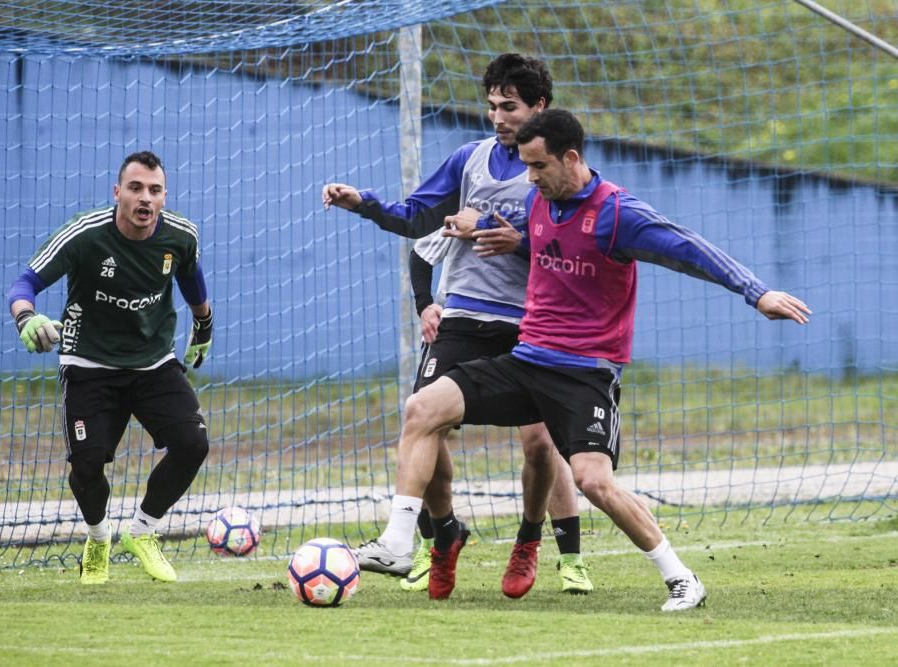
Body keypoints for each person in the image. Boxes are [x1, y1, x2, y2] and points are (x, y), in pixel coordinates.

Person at [384, 107, 812, 606]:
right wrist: (478, 226)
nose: (529, 178)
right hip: (527, 362)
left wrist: (755, 292)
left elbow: (689, 248)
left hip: (585, 374)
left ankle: (681, 577)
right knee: (422, 408)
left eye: (538, 166)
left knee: (593, 480)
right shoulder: (537, 203)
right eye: (524, 166)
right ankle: (398, 540)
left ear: (570, 158)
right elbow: (500, 225)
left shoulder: (617, 214)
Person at [322, 53, 593, 598]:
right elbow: (416, 217)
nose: (498, 116)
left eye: (510, 106)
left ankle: (529, 541)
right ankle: (442, 534)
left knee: (540, 445)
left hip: (528, 324)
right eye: (491, 105)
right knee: (423, 417)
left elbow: (566, 245)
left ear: (539, 107)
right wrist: (364, 204)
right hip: (464, 317)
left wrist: (494, 227)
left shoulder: (556, 172)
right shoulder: (469, 159)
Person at [7, 150, 214, 585]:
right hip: (89, 365)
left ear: (164, 196)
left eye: (155, 190)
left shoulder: (181, 236)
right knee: (86, 467)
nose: (145, 198)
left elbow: (191, 277)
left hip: (153, 363)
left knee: (193, 443)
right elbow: (25, 283)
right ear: (117, 192)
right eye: (136, 188)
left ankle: (142, 533)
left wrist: (204, 324)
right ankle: (98, 539)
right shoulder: (85, 235)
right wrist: (27, 317)